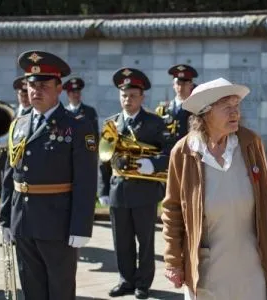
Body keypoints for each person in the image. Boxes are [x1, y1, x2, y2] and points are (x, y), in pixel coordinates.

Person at [0, 50, 98, 300]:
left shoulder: (77, 126)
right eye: (31, 85)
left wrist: (81, 227)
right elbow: (10, 175)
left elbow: (85, 181)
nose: (35, 91)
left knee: (60, 290)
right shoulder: (18, 125)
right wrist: (5, 218)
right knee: (32, 289)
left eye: (43, 85)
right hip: (23, 221)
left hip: (58, 225)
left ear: (59, 88)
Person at [162, 78, 267, 299]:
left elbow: (266, 200)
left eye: (237, 107)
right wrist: (174, 261)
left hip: (250, 264)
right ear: (205, 113)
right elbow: (172, 210)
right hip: (207, 267)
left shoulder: (250, 142)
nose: (235, 113)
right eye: (227, 108)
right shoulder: (184, 151)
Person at [98, 67, 171, 299]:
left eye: (132, 95)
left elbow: (170, 152)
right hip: (118, 189)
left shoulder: (154, 122)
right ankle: (125, 280)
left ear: (142, 97)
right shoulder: (112, 123)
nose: (127, 100)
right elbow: (103, 158)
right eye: (123, 95)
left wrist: (153, 164)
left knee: (145, 241)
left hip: (145, 192)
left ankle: (143, 283)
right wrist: (103, 190)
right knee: (121, 241)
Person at [155, 64, 197, 147]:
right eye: (178, 83)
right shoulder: (163, 109)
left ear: (191, 85)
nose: (181, 87)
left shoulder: (197, 109)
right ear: (173, 85)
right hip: (168, 154)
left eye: (184, 83)